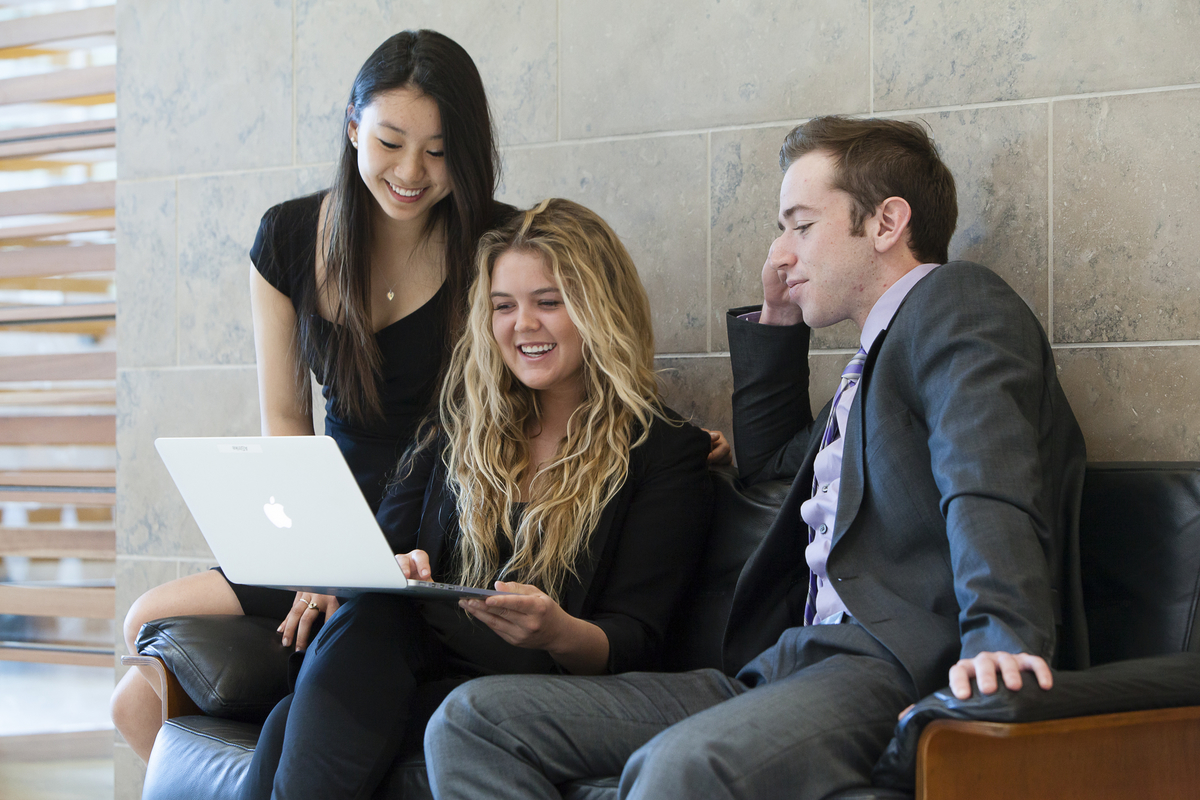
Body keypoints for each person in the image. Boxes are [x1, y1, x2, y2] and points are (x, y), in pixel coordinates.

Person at [423, 116, 1088, 799]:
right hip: (786, 664)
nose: (780, 253)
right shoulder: (868, 371)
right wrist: (777, 320)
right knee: (472, 721)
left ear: (886, 222)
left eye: (800, 225)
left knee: (679, 768)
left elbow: (985, 476)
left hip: (889, 663)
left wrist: (1002, 635)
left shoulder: (957, 302)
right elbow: (771, 470)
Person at [111, 29, 516, 762]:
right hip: (324, 520)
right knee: (142, 648)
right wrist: (318, 558)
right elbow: (287, 423)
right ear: (353, 125)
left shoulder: (499, 242)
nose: (412, 171)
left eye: (438, 149)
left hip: (440, 528)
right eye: (391, 141)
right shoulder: (291, 238)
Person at [238, 197, 715, 799]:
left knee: (304, 711)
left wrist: (555, 628)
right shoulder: (458, 426)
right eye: (503, 306)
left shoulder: (663, 452)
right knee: (337, 659)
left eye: (549, 302)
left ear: (601, 309)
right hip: (429, 662)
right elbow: (377, 554)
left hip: (546, 682)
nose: (524, 325)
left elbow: (636, 640)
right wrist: (393, 567)